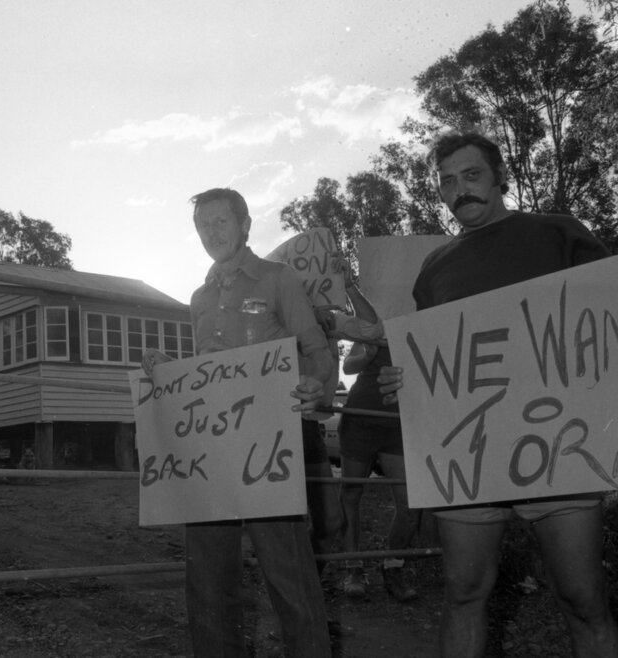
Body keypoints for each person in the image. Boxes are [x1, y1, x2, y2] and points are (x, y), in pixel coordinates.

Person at [378, 131, 618, 657]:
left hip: (559, 444)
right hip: (468, 456)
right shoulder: (434, 267)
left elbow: (604, 328)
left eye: (471, 175)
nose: (459, 190)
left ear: (499, 177)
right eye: (446, 182)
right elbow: (434, 356)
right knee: (464, 593)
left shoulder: (558, 233)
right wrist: (404, 380)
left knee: (582, 597)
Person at [145, 187, 335, 657]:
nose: (211, 232)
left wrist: (317, 387)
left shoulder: (279, 279)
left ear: (245, 224)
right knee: (207, 583)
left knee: (289, 579)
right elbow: (207, 377)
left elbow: (317, 351)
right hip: (212, 458)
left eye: (221, 222)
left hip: (270, 449)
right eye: (203, 225)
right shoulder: (198, 297)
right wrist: (169, 371)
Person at [333, 257, 420, 603]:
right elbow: (349, 365)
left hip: (398, 426)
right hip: (359, 421)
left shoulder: (425, 327)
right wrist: (369, 354)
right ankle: (352, 568)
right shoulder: (376, 327)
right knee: (350, 495)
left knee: (411, 504)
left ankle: (393, 567)